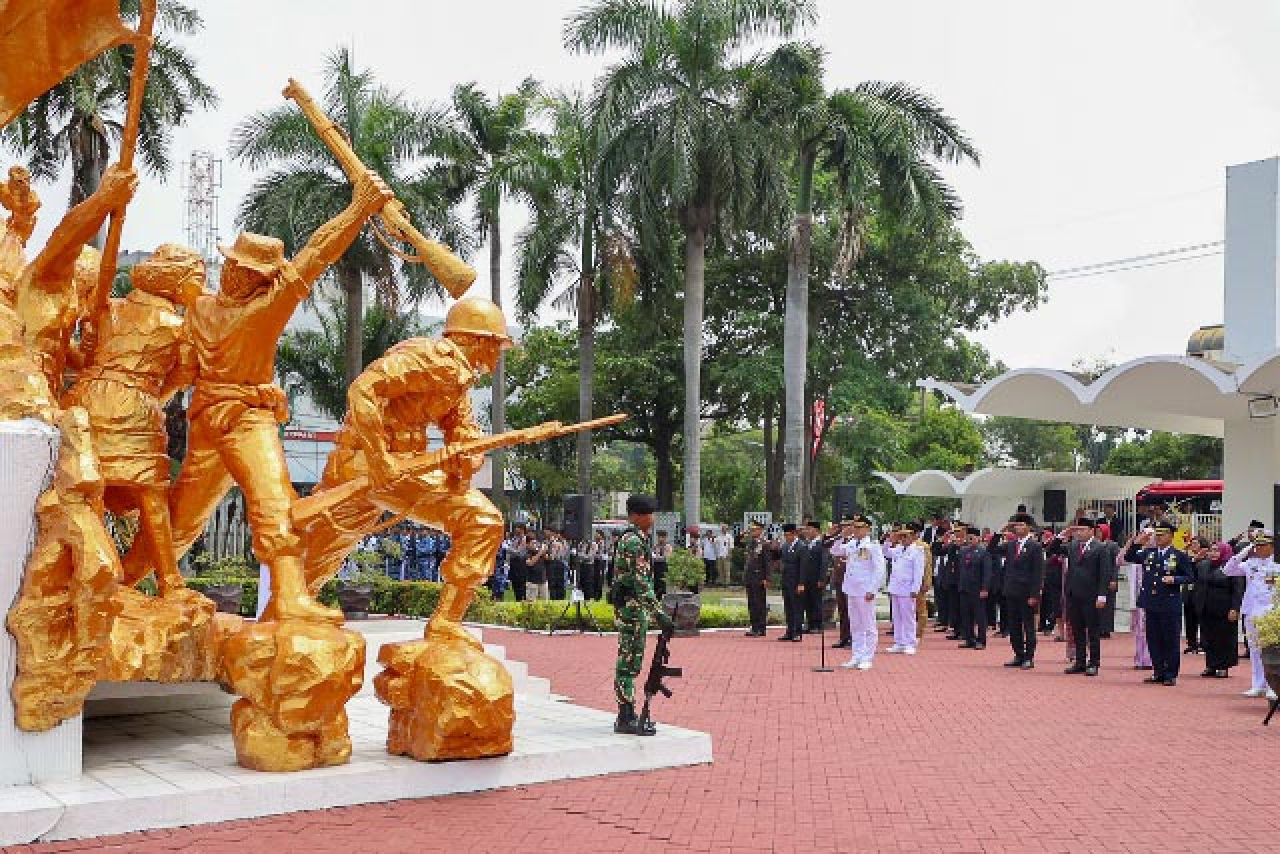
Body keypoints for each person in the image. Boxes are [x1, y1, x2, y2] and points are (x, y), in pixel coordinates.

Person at [127, 169, 393, 623]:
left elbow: (317, 255)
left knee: (273, 505)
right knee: (181, 520)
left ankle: (287, 601)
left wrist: (358, 209)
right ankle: (120, 582)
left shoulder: (266, 308)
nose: (232, 272)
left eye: (244, 269)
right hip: (216, 423)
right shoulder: (202, 309)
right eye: (230, 263)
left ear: (261, 280)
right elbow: (184, 372)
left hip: (244, 419)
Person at [62, 244, 206, 599]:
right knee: (151, 495)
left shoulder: (108, 309)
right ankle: (169, 580)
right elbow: (183, 375)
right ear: (177, 281)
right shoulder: (179, 328)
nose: (200, 289)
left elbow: (83, 359)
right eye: (196, 280)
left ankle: (91, 572)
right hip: (136, 404)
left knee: (88, 487)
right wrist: (150, 395)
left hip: (85, 399)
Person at [611, 494, 676, 735]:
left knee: (628, 663)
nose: (652, 518)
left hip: (630, 608)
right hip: (633, 609)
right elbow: (641, 584)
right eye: (648, 513)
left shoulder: (632, 538)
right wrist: (661, 616)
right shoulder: (635, 542)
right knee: (628, 666)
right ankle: (626, 716)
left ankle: (626, 713)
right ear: (636, 516)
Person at [1124, 521, 1193, 686]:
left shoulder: (1179, 555)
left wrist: (1175, 579)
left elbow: (1190, 576)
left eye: (1163, 534)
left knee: (1170, 639)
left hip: (1169, 602)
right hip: (1151, 602)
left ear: (1171, 536)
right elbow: (1129, 557)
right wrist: (1136, 543)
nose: (1159, 537)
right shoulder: (1149, 553)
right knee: (1153, 639)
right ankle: (1158, 671)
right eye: (1158, 534)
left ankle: (1170, 674)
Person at [1222, 529, 1280, 700]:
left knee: (1271, 650)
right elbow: (1227, 570)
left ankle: (1273, 686)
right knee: (1254, 650)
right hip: (1251, 610)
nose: (1259, 549)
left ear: (1272, 546)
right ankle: (1258, 684)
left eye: (1263, 545)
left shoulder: (1277, 564)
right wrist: (1245, 550)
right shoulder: (1250, 563)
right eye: (1257, 545)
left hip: (1271, 612)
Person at [830, 515, 886, 670]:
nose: (856, 530)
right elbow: (835, 550)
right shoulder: (852, 543)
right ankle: (857, 655)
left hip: (864, 590)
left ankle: (867, 657)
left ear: (867, 529)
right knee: (855, 625)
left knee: (868, 625)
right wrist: (842, 536)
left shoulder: (873, 545)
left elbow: (879, 569)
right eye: (855, 527)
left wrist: (872, 589)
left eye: (859, 527)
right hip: (851, 589)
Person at [1062, 519, 1111, 676]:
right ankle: (1080, 661)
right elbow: (1053, 549)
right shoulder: (1073, 546)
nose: (1079, 533)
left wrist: (1102, 595)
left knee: (1093, 630)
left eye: (1082, 530)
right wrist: (1062, 535)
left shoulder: (1100, 548)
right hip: (1074, 594)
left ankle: (1094, 663)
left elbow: (1105, 573)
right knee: (1077, 630)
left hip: (1091, 595)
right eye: (1077, 530)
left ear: (1091, 530)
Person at [1191, 538, 1244, 679]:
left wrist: (1235, 608)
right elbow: (1198, 583)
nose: (1213, 553)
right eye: (1212, 550)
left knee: (1224, 638)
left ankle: (1223, 666)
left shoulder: (1232, 567)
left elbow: (1238, 590)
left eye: (1217, 550)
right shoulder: (1203, 565)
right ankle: (1211, 665)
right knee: (1208, 638)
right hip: (1206, 608)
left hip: (1224, 609)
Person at [1001, 512, 1045, 670]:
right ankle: (1018, 654)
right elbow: (992, 549)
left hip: (1026, 592)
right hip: (1011, 590)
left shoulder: (1035, 546)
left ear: (1029, 528)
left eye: (1022, 525)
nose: (1018, 527)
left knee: (1028, 625)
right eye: (1016, 525)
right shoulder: (1011, 545)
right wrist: (1002, 530)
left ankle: (1029, 656)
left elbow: (1038, 572)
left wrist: (1034, 594)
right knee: (1013, 625)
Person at [884, 522, 926, 654]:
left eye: (906, 536)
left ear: (913, 536)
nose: (903, 539)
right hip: (895, 587)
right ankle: (899, 642)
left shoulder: (917, 551)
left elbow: (918, 572)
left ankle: (910, 643)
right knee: (897, 616)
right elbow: (885, 552)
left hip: (907, 588)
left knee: (908, 616)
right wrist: (888, 540)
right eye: (901, 536)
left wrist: (915, 589)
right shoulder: (897, 549)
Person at [954, 523, 992, 650]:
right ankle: (969, 638)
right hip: (964, 587)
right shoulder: (964, 551)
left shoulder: (983, 552)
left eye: (972, 538)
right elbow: (960, 569)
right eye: (968, 538)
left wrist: (985, 588)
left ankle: (981, 640)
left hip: (977, 588)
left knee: (979, 615)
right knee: (966, 614)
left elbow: (987, 572)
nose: (970, 540)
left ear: (978, 538)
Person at [776, 523, 807, 642]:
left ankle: (797, 632)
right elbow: (780, 560)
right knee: (788, 607)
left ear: (795, 534)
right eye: (785, 535)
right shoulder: (785, 546)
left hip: (796, 581)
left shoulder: (801, 546)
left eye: (789, 535)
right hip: (786, 581)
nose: (787, 537)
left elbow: (803, 567)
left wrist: (801, 583)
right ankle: (789, 631)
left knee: (797, 607)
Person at [825, 521, 852, 649]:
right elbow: (831, 549)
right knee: (842, 610)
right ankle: (844, 637)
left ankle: (852, 638)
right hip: (839, 579)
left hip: (851, 581)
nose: (845, 528)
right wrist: (833, 535)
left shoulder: (855, 542)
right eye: (843, 526)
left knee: (851, 610)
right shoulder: (840, 540)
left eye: (847, 525)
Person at [742, 521, 772, 637]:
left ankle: (761, 628)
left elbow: (767, 563)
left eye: (755, 529)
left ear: (760, 530)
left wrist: (767, 578)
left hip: (759, 577)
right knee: (752, 603)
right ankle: (754, 627)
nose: (752, 531)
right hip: (750, 577)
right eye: (751, 529)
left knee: (760, 603)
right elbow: (738, 542)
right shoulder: (751, 543)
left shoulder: (764, 544)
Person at [802, 523, 827, 633]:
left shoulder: (821, 543)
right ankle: (810, 623)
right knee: (807, 601)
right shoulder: (807, 544)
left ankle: (818, 625)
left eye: (809, 529)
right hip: (807, 578)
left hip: (816, 578)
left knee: (816, 602)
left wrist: (822, 579)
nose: (807, 532)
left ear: (816, 530)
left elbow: (824, 562)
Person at [506, 526, 529, 601]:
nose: (516, 530)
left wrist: (508, 549)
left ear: (522, 530)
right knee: (515, 583)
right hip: (513, 564)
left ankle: (523, 600)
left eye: (518, 528)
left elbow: (519, 552)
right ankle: (518, 599)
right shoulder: (514, 539)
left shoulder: (524, 539)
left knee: (521, 584)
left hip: (520, 563)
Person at [525, 535, 550, 601]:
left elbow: (548, 558)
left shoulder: (538, 551)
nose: (534, 545)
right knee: (531, 603)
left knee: (545, 603)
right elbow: (530, 563)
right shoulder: (526, 552)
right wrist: (540, 553)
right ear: (527, 544)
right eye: (532, 543)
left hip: (543, 580)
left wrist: (544, 551)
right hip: (532, 582)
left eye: (535, 543)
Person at [652, 530, 672, 598]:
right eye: (659, 537)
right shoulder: (656, 546)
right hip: (655, 567)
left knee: (662, 585)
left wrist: (658, 555)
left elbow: (667, 558)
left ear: (665, 538)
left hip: (663, 567)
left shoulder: (667, 546)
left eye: (662, 537)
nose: (660, 539)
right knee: (656, 585)